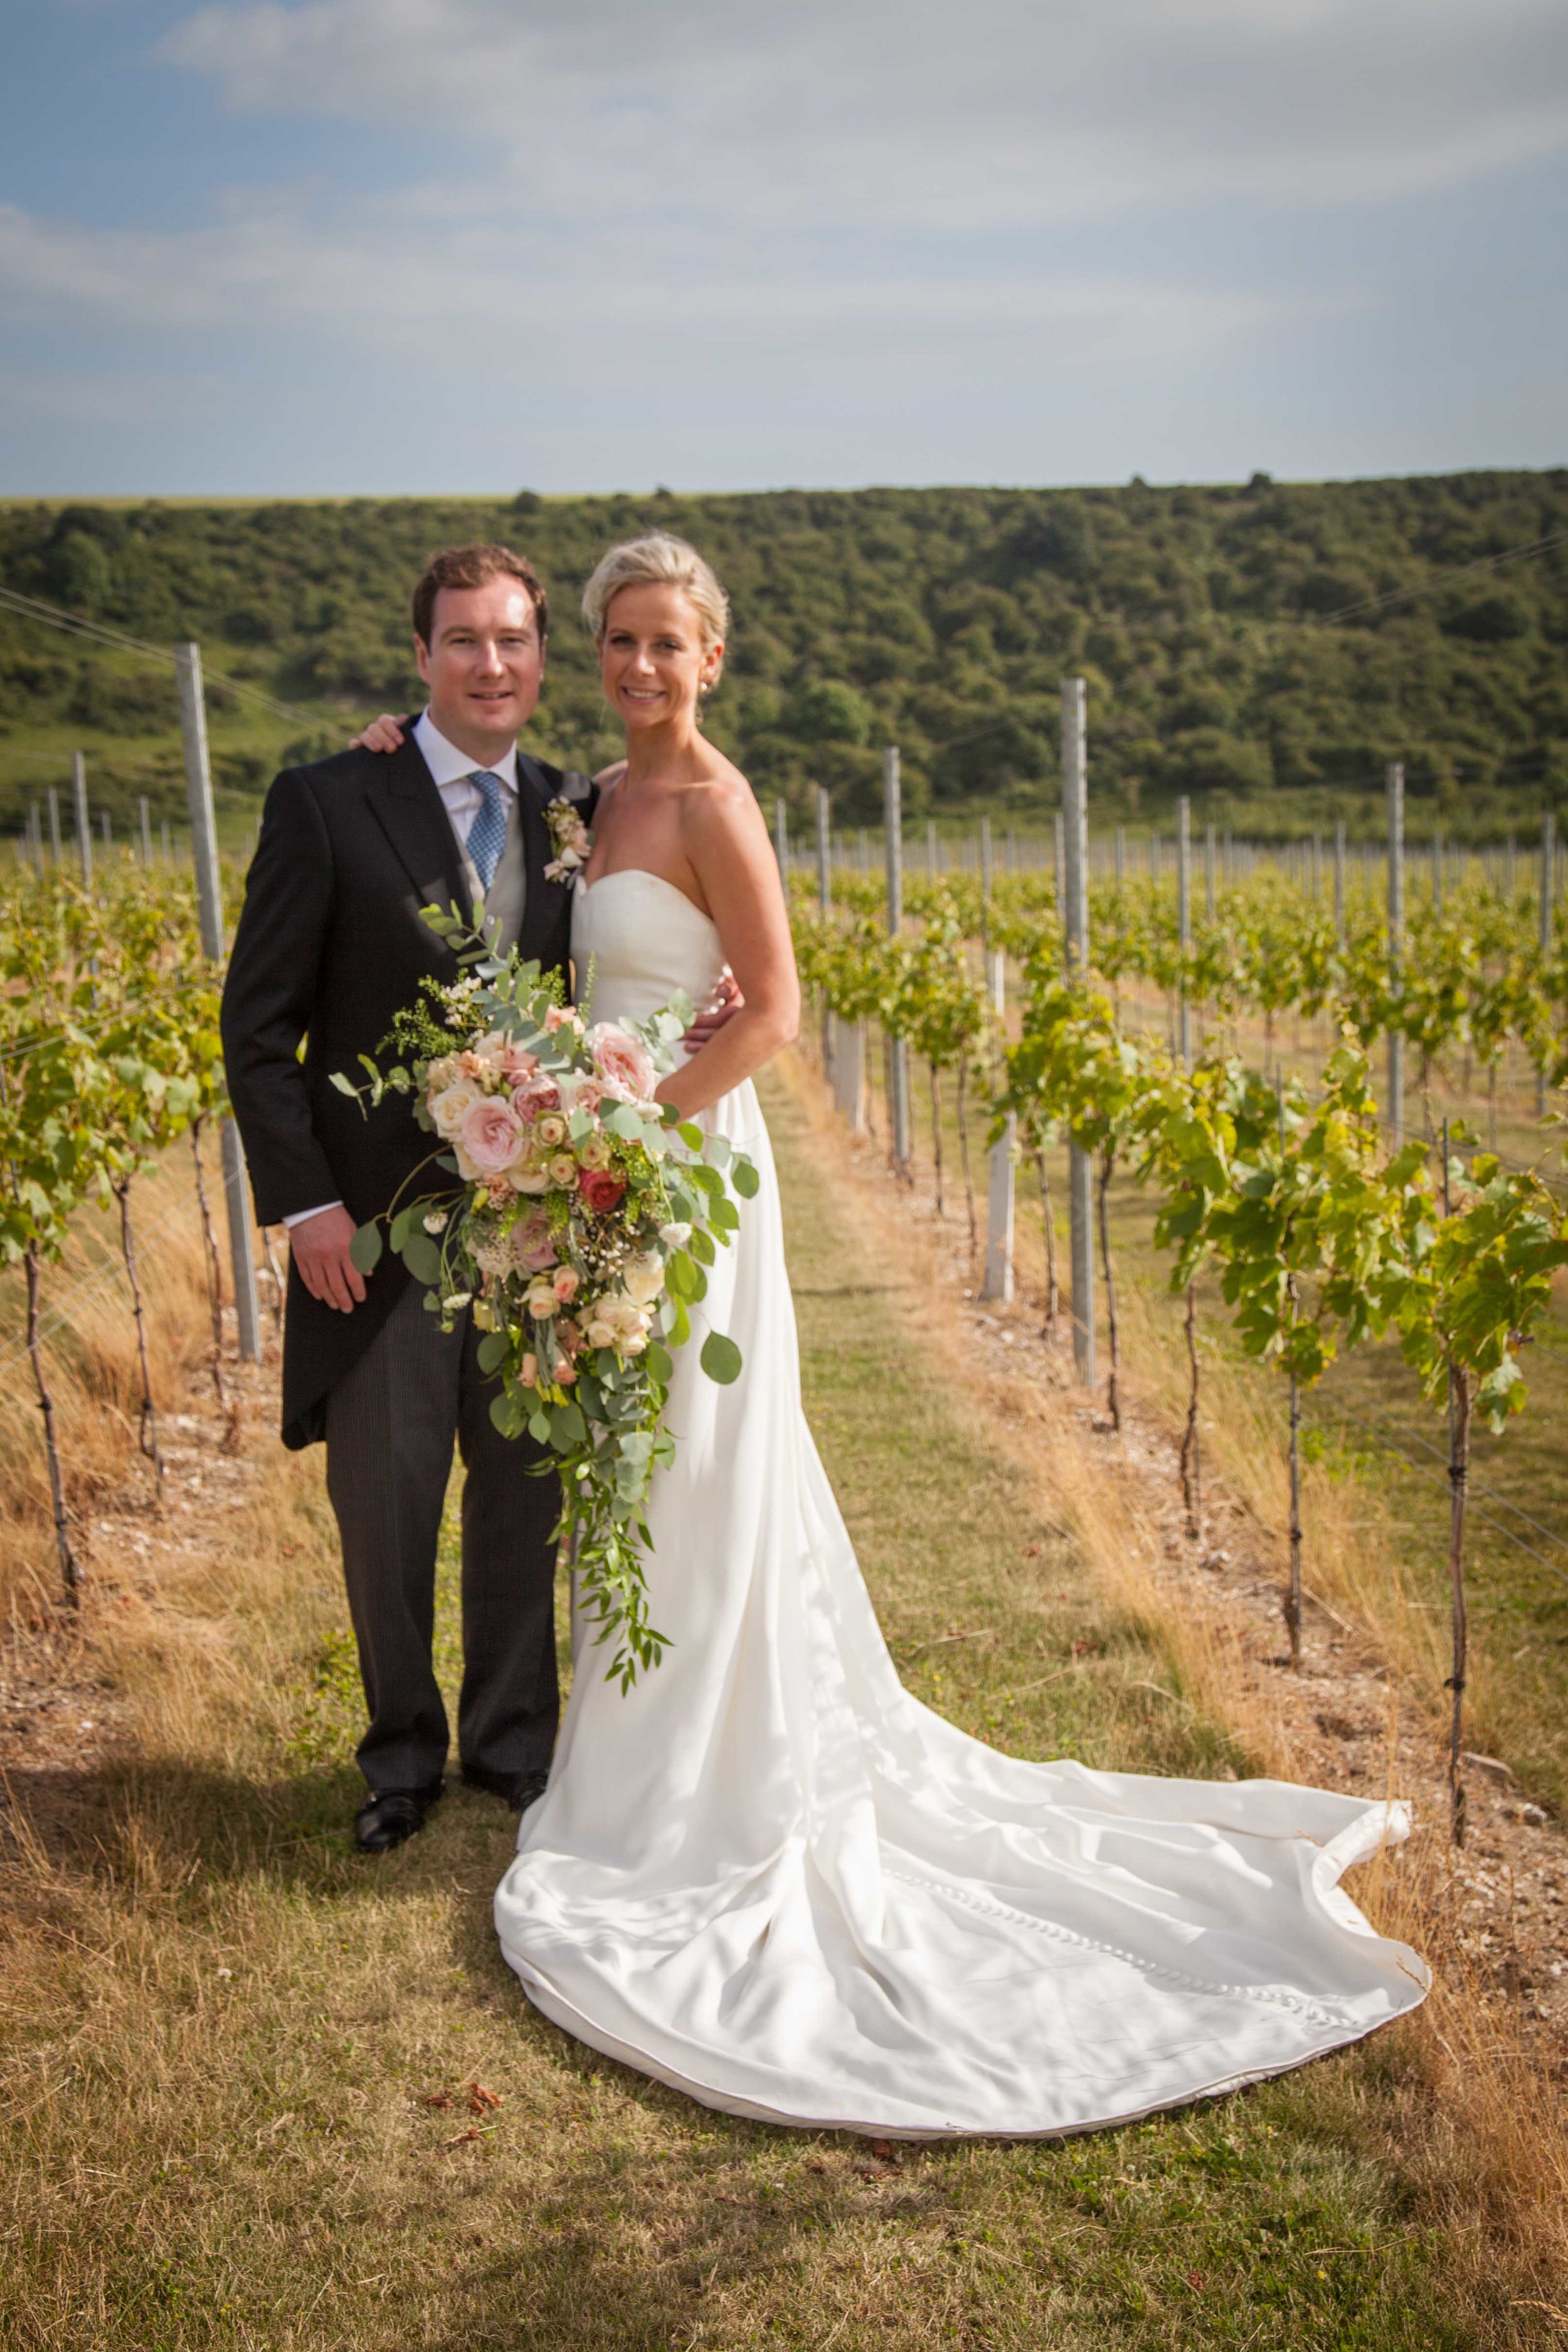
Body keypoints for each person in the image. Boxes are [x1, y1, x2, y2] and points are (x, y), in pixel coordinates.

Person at [356, 530, 1429, 2138]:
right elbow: (491, 829)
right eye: (620, 643)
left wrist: (626, 1130)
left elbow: (772, 1009)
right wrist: (393, 747)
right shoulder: (583, 799)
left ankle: (704, 1789)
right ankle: (625, 1755)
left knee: (701, 1466)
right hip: (601, 1172)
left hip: (681, 1175)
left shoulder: (715, 805)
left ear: (712, 656)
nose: (642, 667)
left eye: (669, 643)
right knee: (623, 1468)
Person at [221, 543, 729, 1856]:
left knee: (521, 1497)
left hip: (538, 1234)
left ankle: (513, 1747)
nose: (490, 664)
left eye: (512, 640)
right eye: (462, 642)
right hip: (374, 1240)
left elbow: (632, 954)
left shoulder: (580, 810)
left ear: (541, 656)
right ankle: (398, 1757)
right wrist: (307, 1209)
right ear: (422, 657)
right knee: (384, 1512)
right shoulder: (331, 800)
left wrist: (705, 1004)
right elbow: (257, 1028)